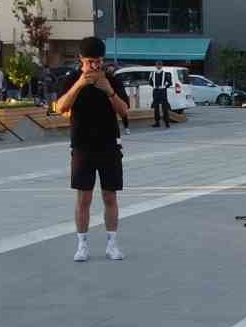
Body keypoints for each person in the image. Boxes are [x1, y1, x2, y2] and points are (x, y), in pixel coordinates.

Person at [53, 36, 131, 262]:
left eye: (97, 61)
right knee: (83, 197)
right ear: (80, 60)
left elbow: (125, 110)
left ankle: (112, 244)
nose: (94, 66)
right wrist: (80, 84)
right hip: (81, 145)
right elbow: (61, 107)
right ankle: (82, 245)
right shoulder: (71, 79)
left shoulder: (112, 80)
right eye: (89, 62)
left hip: (109, 144)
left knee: (110, 195)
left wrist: (109, 91)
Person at [149, 61, 171, 128]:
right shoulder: (152, 73)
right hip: (155, 91)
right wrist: (155, 86)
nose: (158, 66)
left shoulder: (165, 73)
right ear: (155, 66)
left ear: (162, 66)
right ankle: (157, 122)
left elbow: (170, 83)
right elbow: (150, 82)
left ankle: (167, 122)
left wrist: (164, 87)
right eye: (157, 65)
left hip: (162, 91)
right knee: (156, 107)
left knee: (165, 107)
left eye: (159, 65)